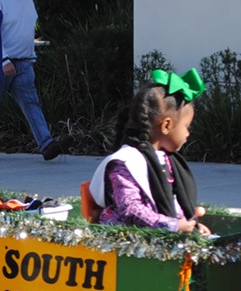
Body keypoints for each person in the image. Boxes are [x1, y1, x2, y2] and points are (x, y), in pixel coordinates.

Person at [90, 69, 210, 235]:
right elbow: (130, 210)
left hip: (160, 238)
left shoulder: (166, 160)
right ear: (166, 125)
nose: (188, 134)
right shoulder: (125, 163)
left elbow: (171, 203)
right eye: (187, 127)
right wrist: (173, 225)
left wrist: (192, 226)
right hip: (127, 243)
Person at [0, 0, 71, 162]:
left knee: (32, 103)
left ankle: (47, 144)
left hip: (23, 62)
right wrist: (3, 60)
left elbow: (28, 28)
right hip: (2, 64)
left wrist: (30, 56)